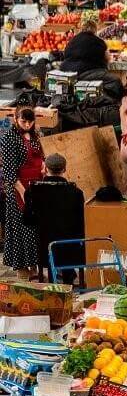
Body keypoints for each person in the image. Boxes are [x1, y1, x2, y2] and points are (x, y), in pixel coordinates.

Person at [23, 153, 84, 284]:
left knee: (48, 240)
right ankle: (68, 281)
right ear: (64, 169)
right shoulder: (76, 192)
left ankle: (54, 284)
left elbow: (27, 220)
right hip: (70, 248)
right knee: (67, 242)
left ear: (46, 169)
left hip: (44, 248)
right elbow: (81, 222)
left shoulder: (32, 191)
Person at [1, 109, 44, 278]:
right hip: (19, 190)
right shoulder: (10, 138)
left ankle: (34, 266)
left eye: (30, 122)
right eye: (23, 121)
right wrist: (24, 193)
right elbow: (9, 172)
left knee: (34, 229)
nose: (27, 125)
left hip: (36, 187)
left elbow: (41, 157)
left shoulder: (35, 136)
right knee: (21, 228)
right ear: (16, 119)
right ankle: (22, 269)